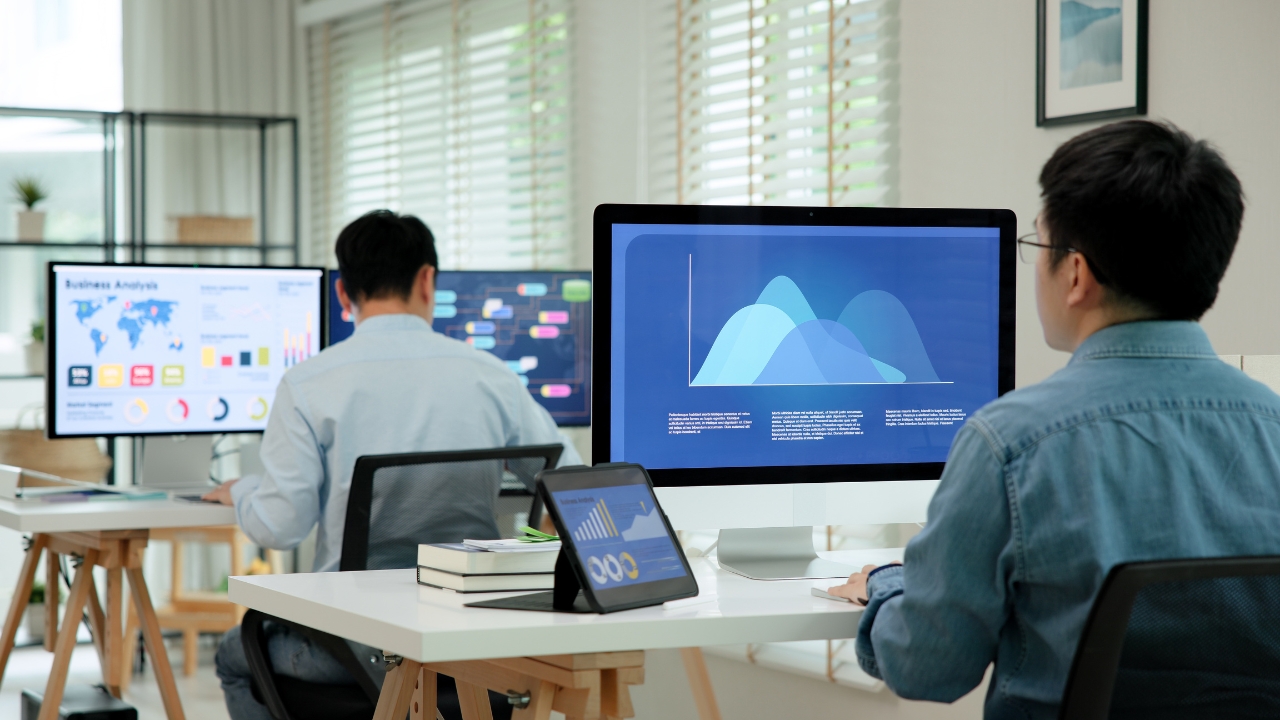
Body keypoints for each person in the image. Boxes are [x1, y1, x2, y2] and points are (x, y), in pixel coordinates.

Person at [827, 120, 1280, 718]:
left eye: (1038, 246)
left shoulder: (1010, 442)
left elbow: (928, 668)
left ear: (1076, 274)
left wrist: (888, 580)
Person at [208, 210, 582, 720]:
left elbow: (281, 526)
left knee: (234, 654)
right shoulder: (491, 377)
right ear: (427, 279)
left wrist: (245, 490)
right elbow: (571, 487)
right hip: (472, 646)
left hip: (352, 649)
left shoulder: (309, 384)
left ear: (344, 293)